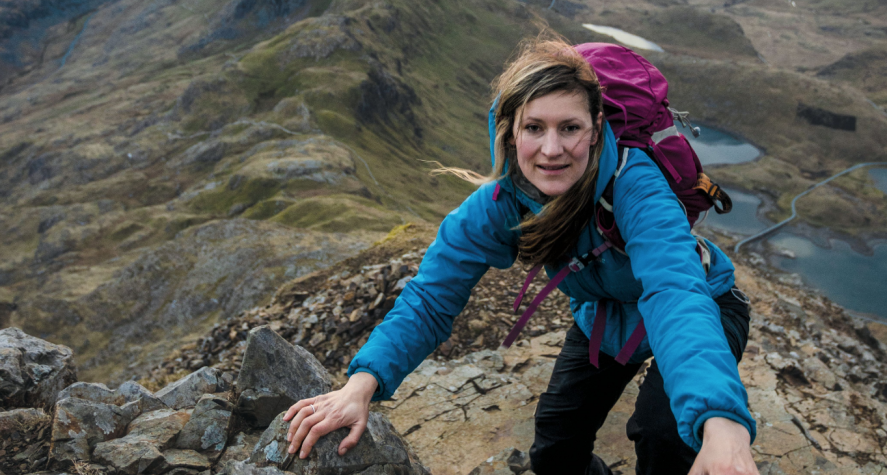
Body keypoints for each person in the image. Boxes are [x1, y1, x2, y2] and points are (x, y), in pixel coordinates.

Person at [283, 37, 759, 475]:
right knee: (554, 451)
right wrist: (361, 384)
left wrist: (722, 422)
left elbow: (675, 293)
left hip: (706, 303)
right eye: (535, 128)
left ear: (596, 129)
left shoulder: (636, 187)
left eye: (569, 128)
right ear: (510, 134)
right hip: (607, 315)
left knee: (663, 435)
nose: (552, 150)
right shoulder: (499, 206)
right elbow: (430, 299)